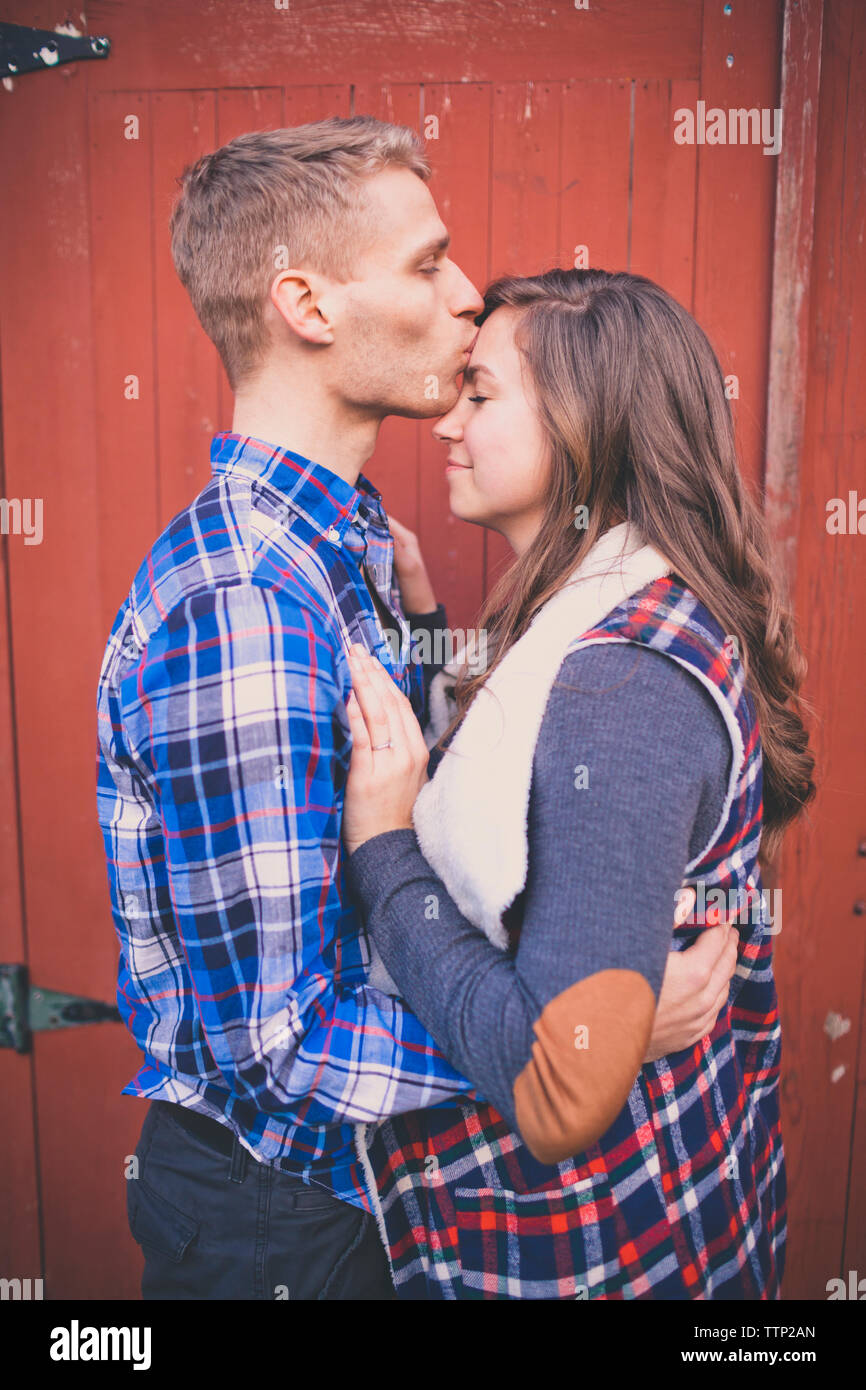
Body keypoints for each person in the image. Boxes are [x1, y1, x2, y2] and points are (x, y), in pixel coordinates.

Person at [96, 118, 738, 1301]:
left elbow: (445, 776)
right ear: (306, 303)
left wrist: (434, 631)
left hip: (368, 1190)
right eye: (425, 262)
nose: (462, 296)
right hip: (283, 1214)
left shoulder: (343, 542)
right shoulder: (242, 603)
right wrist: (571, 1047)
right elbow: (282, 1044)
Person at [341, 268, 816, 1300]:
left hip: (602, 1252)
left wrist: (382, 853)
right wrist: (429, 637)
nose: (444, 425)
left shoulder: (618, 682)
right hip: (664, 1218)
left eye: (480, 393)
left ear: (583, 423)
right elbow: (536, 804)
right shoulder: (610, 607)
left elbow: (562, 1094)